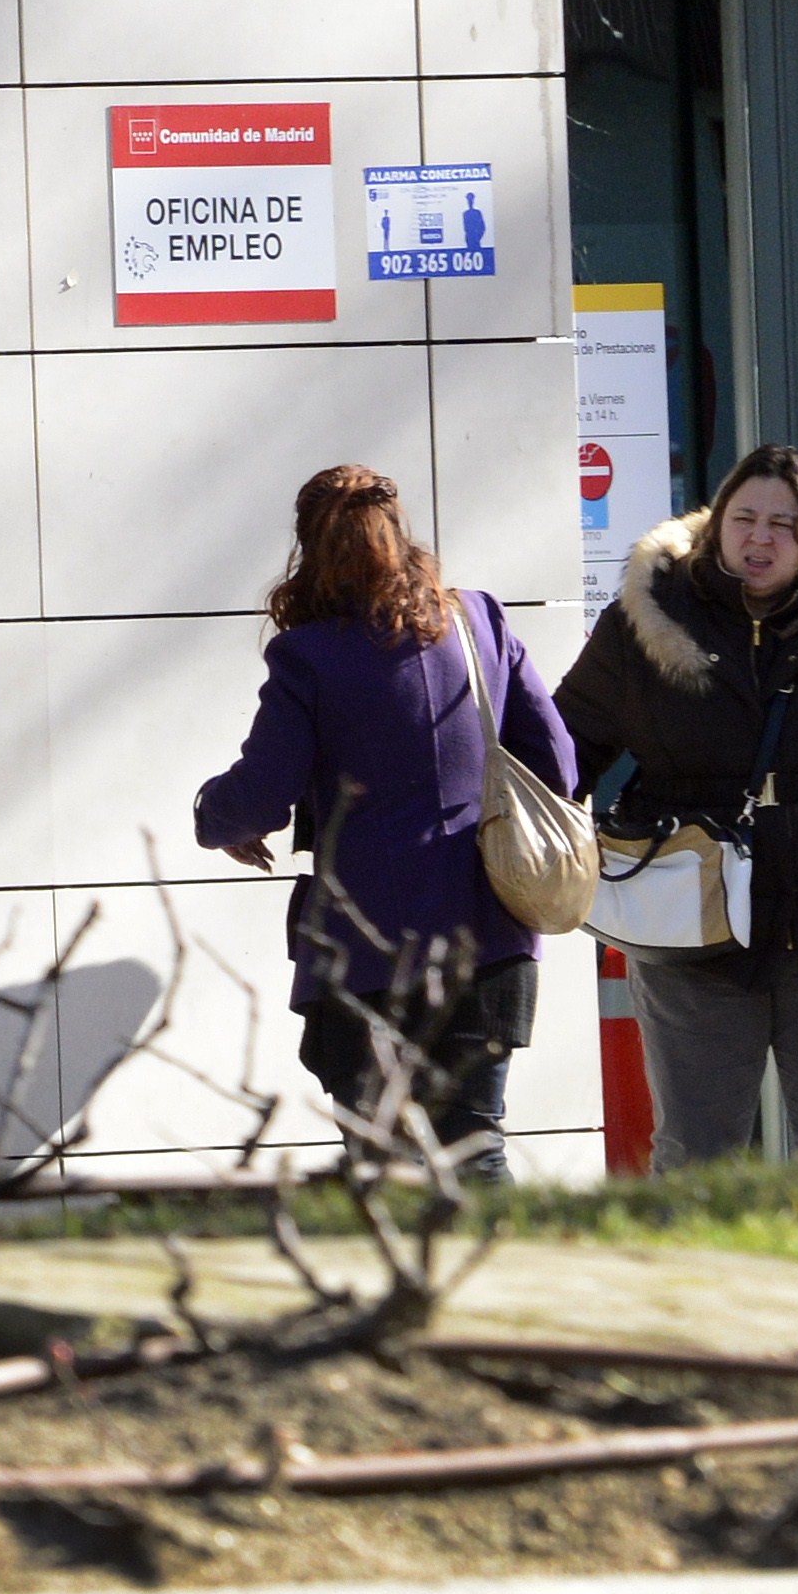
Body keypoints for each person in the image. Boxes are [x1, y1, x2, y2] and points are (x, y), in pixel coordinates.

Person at [557, 445, 798, 1167]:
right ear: (715, 527)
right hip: (692, 925)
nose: (760, 537)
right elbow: (564, 746)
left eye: (782, 522)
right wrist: (533, 848)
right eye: (744, 518)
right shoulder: (646, 622)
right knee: (697, 1153)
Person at [194, 464, 577, 1179]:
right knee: (476, 1144)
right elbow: (557, 760)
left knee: (386, 1162)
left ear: (309, 551)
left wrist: (209, 815)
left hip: (365, 951)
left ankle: (408, 1290)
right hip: (488, 938)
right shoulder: (480, 623)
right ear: (401, 533)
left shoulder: (307, 656)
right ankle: (504, 1283)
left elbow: (259, 796)